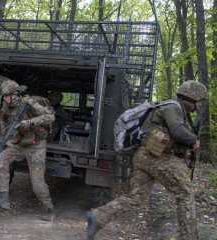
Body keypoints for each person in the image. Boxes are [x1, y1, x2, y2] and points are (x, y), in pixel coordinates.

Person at [86, 80, 208, 240]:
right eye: (201, 100)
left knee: (136, 198)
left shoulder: (177, 110)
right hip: (154, 157)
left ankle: (97, 217)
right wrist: (193, 140)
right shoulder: (173, 107)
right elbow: (176, 131)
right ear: (192, 97)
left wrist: (183, 154)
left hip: (144, 156)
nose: (201, 104)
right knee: (185, 194)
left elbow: (167, 137)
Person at [0, 80, 56, 221]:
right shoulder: (7, 106)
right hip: (18, 145)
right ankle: (4, 199)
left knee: (37, 184)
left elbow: (50, 116)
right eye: (4, 96)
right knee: (0, 162)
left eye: (7, 95)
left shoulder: (29, 103)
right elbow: (4, 121)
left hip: (36, 147)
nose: (4, 98)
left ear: (15, 94)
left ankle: (49, 209)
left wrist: (30, 122)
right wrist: (9, 135)